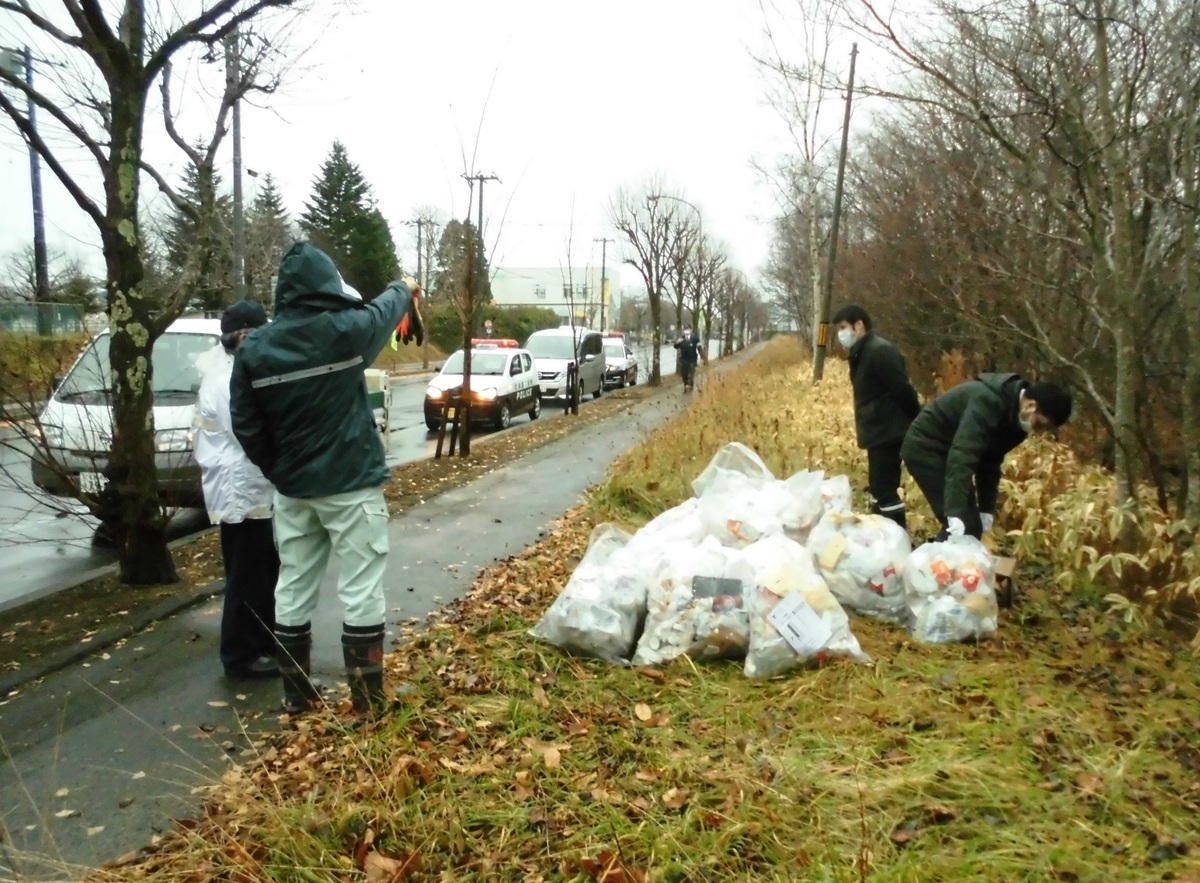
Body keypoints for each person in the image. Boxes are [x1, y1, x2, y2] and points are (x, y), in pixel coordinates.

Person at [229, 242, 423, 714]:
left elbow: (246, 424)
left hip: (294, 494)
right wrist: (405, 286)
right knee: (360, 591)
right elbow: (384, 309)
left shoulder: (254, 349)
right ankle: (367, 703)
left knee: (292, 588)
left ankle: (297, 700)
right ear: (328, 285)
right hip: (352, 485)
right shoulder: (346, 331)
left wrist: (280, 470)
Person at [194, 300, 280, 680]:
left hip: (252, 489)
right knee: (247, 574)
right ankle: (241, 654)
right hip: (241, 491)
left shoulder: (235, 371)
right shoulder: (227, 381)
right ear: (239, 337)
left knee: (262, 569)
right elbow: (247, 431)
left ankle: (263, 642)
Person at [900, 372, 1072, 541]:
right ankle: (932, 567)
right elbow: (963, 454)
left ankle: (956, 566)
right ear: (1031, 406)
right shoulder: (986, 401)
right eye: (1041, 424)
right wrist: (954, 511)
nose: (1039, 430)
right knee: (960, 526)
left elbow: (990, 461)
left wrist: (986, 508)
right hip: (925, 447)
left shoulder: (1016, 424)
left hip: (951, 453)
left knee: (973, 527)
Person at [832, 304, 922, 530]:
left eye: (843, 327)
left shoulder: (879, 351)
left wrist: (917, 420)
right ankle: (878, 536)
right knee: (878, 489)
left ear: (858, 325)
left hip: (889, 431)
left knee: (885, 491)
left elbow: (903, 390)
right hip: (877, 431)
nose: (840, 334)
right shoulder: (861, 352)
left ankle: (895, 541)